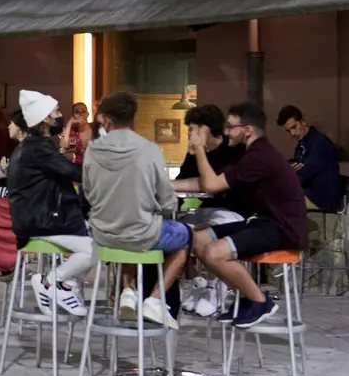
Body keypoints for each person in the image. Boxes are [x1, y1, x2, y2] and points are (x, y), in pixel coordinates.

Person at [189, 102, 310, 328]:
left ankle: (259, 301)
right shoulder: (252, 154)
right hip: (262, 222)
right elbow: (209, 181)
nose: (225, 132)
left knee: (214, 253)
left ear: (248, 130)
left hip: (282, 228)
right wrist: (164, 184)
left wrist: (198, 150)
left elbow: (212, 184)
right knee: (198, 239)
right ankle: (246, 296)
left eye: (230, 127)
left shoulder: (260, 156)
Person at [83, 93, 187, 329]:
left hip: (103, 235)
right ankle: (155, 299)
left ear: (107, 121)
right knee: (184, 237)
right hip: (140, 233)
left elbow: (88, 194)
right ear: (132, 118)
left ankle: (128, 289)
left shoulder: (92, 151)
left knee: (126, 229)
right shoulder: (148, 150)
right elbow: (167, 199)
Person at [6, 90, 90, 316]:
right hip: (41, 220)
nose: (60, 115)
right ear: (45, 118)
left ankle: (58, 285)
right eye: (56, 112)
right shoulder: (40, 147)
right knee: (94, 248)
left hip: (31, 218)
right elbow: (71, 171)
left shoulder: (32, 146)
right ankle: (54, 282)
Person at [171, 104, 248, 317]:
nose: (189, 134)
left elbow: (208, 184)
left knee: (207, 232)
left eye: (193, 130)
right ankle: (201, 282)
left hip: (235, 210)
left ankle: (218, 286)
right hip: (207, 207)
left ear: (206, 130)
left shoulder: (234, 151)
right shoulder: (195, 152)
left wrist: (198, 155)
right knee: (179, 230)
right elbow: (181, 181)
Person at [276, 105, 342, 213]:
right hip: (308, 193)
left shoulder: (319, 144)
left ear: (303, 121)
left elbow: (303, 174)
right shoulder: (304, 143)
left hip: (320, 199)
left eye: (294, 127)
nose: (293, 133)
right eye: (289, 131)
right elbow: (297, 167)